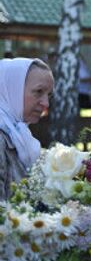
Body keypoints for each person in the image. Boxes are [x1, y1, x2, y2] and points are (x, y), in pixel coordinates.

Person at [0, 58, 54, 200]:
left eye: (49, 95)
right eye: (38, 91)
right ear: (12, 89)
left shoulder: (19, 134)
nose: (46, 103)